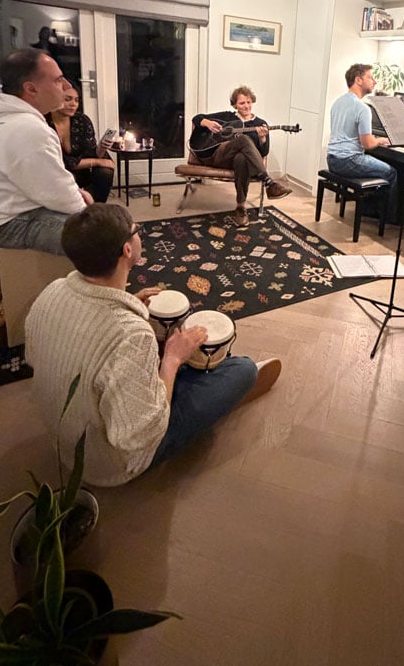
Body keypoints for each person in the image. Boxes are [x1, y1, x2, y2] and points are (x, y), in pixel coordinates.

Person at [25, 203, 282, 486]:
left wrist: (131, 304)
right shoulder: (131, 335)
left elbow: (55, 351)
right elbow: (141, 435)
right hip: (108, 465)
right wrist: (171, 359)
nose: (139, 236)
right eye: (137, 231)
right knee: (242, 369)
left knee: (156, 363)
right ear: (127, 250)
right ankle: (218, 378)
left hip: (67, 440)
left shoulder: (51, 292)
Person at [0, 48, 92, 254]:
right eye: (58, 80)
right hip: (5, 224)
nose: (66, 86)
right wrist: (89, 213)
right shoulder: (27, 128)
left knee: (102, 217)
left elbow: (45, 182)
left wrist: (76, 195)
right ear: (31, 89)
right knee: (106, 236)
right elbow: (58, 194)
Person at [190, 85, 292, 228]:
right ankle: (269, 182)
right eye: (242, 103)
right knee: (243, 140)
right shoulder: (227, 117)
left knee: (241, 158)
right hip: (218, 156)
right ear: (235, 105)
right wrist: (207, 123)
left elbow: (263, 152)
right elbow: (196, 118)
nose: (246, 106)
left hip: (238, 163)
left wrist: (262, 139)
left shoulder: (260, 124)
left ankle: (241, 208)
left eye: (249, 102)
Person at [325, 63, 399, 223]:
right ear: (358, 80)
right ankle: (386, 216)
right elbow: (367, 144)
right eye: (371, 78)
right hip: (349, 161)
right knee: (391, 172)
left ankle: (368, 207)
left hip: (332, 159)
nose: (375, 82)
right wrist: (379, 140)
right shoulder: (362, 108)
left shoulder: (338, 102)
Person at [47, 83, 115, 203]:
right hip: (54, 172)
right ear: (54, 97)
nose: (73, 104)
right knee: (68, 177)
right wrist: (96, 161)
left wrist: (101, 149)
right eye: (67, 99)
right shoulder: (43, 123)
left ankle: (97, 210)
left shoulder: (81, 120)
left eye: (76, 100)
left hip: (82, 170)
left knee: (105, 171)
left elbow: (90, 152)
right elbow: (59, 162)